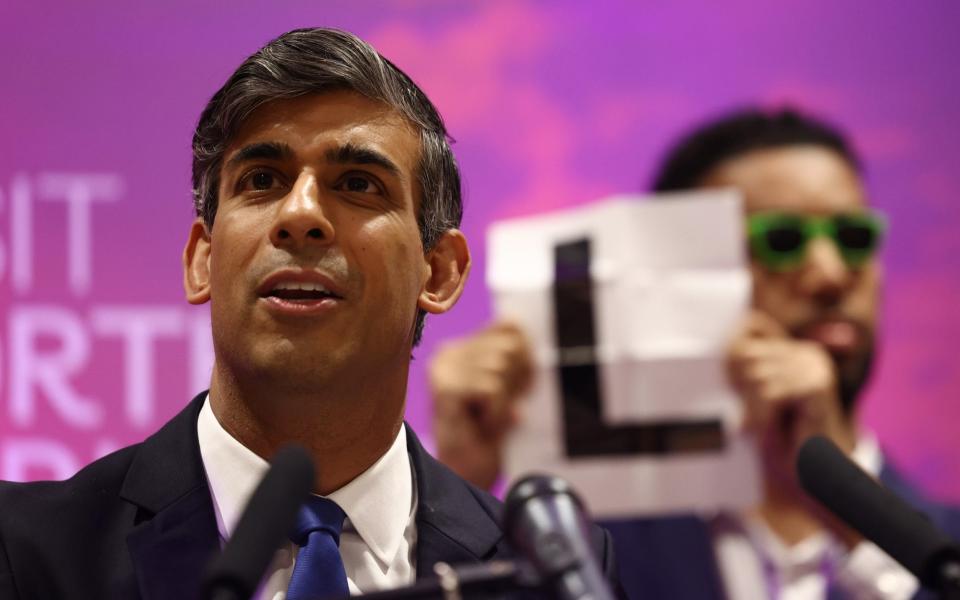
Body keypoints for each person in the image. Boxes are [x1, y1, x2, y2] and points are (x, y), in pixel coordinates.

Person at [0, 28, 622, 600]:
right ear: (202, 262)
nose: (300, 215)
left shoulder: (549, 574)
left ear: (439, 271)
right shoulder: (25, 551)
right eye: (263, 178)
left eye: (357, 184)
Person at [429, 109, 960, 599]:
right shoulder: (580, 555)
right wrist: (453, 491)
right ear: (674, 285)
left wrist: (852, 512)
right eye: (779, 239)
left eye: (852, 235)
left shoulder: (948, 548)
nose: (829, 273)